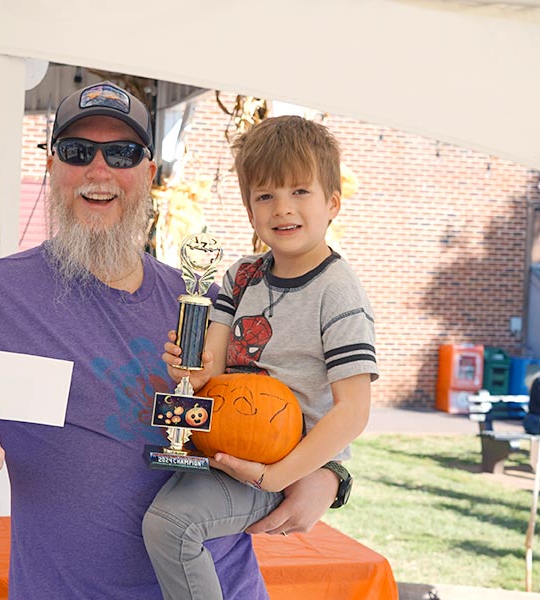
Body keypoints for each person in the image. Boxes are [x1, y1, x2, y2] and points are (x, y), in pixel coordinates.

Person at [0, 81, 341, 600]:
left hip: (225, 586)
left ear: (148, 174)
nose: (99, 170)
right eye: (78, 151)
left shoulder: (199, 300)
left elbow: (281, 398)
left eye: (123, 153)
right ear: (52, 166)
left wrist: (328, 474)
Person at [142, 115, 378, 600]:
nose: (282, 208)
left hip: (282, 461)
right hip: (228, 440)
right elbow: (212, 367)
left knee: (170, 525)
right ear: (250, 211)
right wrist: (188, 364)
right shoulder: (241, 276)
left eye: (299, 192)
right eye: (265, 196)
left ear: (332, 202)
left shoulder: (338, 291)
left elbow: (353, 411)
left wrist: (282, 476)